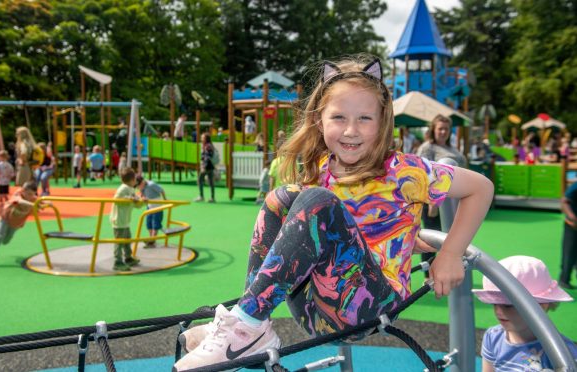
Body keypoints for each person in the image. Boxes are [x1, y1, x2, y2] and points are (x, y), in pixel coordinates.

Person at [173, 55, 494, 370]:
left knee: (315, 200)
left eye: (365, 118)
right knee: (280, 197)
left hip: (370, 306)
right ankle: (250, 325)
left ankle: (244, 324)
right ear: (319, 120)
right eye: (339, 117)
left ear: (382, 122)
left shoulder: (405, 169)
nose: (351, 130)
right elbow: (341, 231)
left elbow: (481, 188)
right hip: (312, 308)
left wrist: (450, 253)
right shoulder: (320, 170)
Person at [472, 255, 577, 371]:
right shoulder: (493, 337)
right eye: (494, 304)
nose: (498, 311)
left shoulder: (561, 352)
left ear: (541, 306)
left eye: (508, 305)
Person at [416, 114, 468, 277]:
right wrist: (433, 203)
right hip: (434, 203)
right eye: (440, 128)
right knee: (433, 239)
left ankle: (448, 271)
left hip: (453, 202)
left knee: (453, 237)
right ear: (434, 129)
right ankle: (428, 275)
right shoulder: (427, 148)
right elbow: (424, 174)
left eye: (446, 128)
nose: (443, 132)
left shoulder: (454, 151)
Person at [0, 180, 45, 267]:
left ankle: (3, 237)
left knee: (6, 241)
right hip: (5, 217)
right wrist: (33, 205)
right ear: (23, 191)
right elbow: (19, 201)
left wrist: (46, 203)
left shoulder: (34, 199)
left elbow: (42, 203)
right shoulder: (18, 194)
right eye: (28, 194)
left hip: (16, 223)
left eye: (32, 194)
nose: (30, 196)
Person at [110, 167, 143, 271]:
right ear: (133, 180)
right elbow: (117, 200)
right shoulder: (123, 188)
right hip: (119, 220)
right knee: (119, 242)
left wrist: (142, 201)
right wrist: (129, 199)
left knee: (127, 240)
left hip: (125, 220)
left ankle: (128, 258)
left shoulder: (131, 189)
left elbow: (137, 205)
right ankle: (117, 262)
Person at [136, 175, 167, 248]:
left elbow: (161, 190)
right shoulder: (141, 187)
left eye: (139, 186)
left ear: (143, 182)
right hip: (150, 207)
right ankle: (151, 239)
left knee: (155, 224)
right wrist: (143, 197)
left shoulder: (151, 185)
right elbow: (142, 194)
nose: (138, 188)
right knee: (148, 223)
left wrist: (165, 199)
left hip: (157, 207)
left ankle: (152, 240)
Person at [559, 181, 577, 290]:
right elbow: (564, 202)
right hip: (573, 225)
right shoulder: (575, 187)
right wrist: (573, 218)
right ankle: (564, 280)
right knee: (569, 253)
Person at [194, 133, 216, 203]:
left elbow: (207, 157)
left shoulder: (207, 146)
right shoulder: (208, 145)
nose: (201, 138)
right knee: (211, 182)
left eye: (202, 137)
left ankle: (201, 196)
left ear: (206, 139)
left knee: (200, 179)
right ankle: (212, 198)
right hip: (210, 166)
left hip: (207, 166)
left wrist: (204, 167)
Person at [0, 150, 15, 214]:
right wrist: (9, 178)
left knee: (0, 194)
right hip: (6, 181)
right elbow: (12, 174)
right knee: (5, 193)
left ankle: (2, 207)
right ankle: (8, 205)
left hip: (0, 181)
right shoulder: (9, 165)